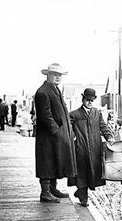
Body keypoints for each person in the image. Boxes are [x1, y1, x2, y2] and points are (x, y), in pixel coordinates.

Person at [34, 63, 77, 203]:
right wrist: (57, 131)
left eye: (59, 75)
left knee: (54, 160)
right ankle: (45, 192)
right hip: (48, 136)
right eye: (54, 75)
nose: (58, 78)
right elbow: (45, 116)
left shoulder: (55, 90)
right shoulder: (43, 92)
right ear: (48, 75)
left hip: (56, 135)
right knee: (46, 162)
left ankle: (53, 189)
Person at [68, 88, 115, 206]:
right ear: (83, 99)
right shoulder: (74, 114)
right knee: (82, 171)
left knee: (92, 172)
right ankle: (84, 197)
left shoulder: (96, 113)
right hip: (81, 148)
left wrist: (109, 136)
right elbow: (68, 130)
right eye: (87, 100)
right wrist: (73, 139)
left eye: (92, 100)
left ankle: (80, 191)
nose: (89, 102)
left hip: (95, 147)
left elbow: (103, 126)